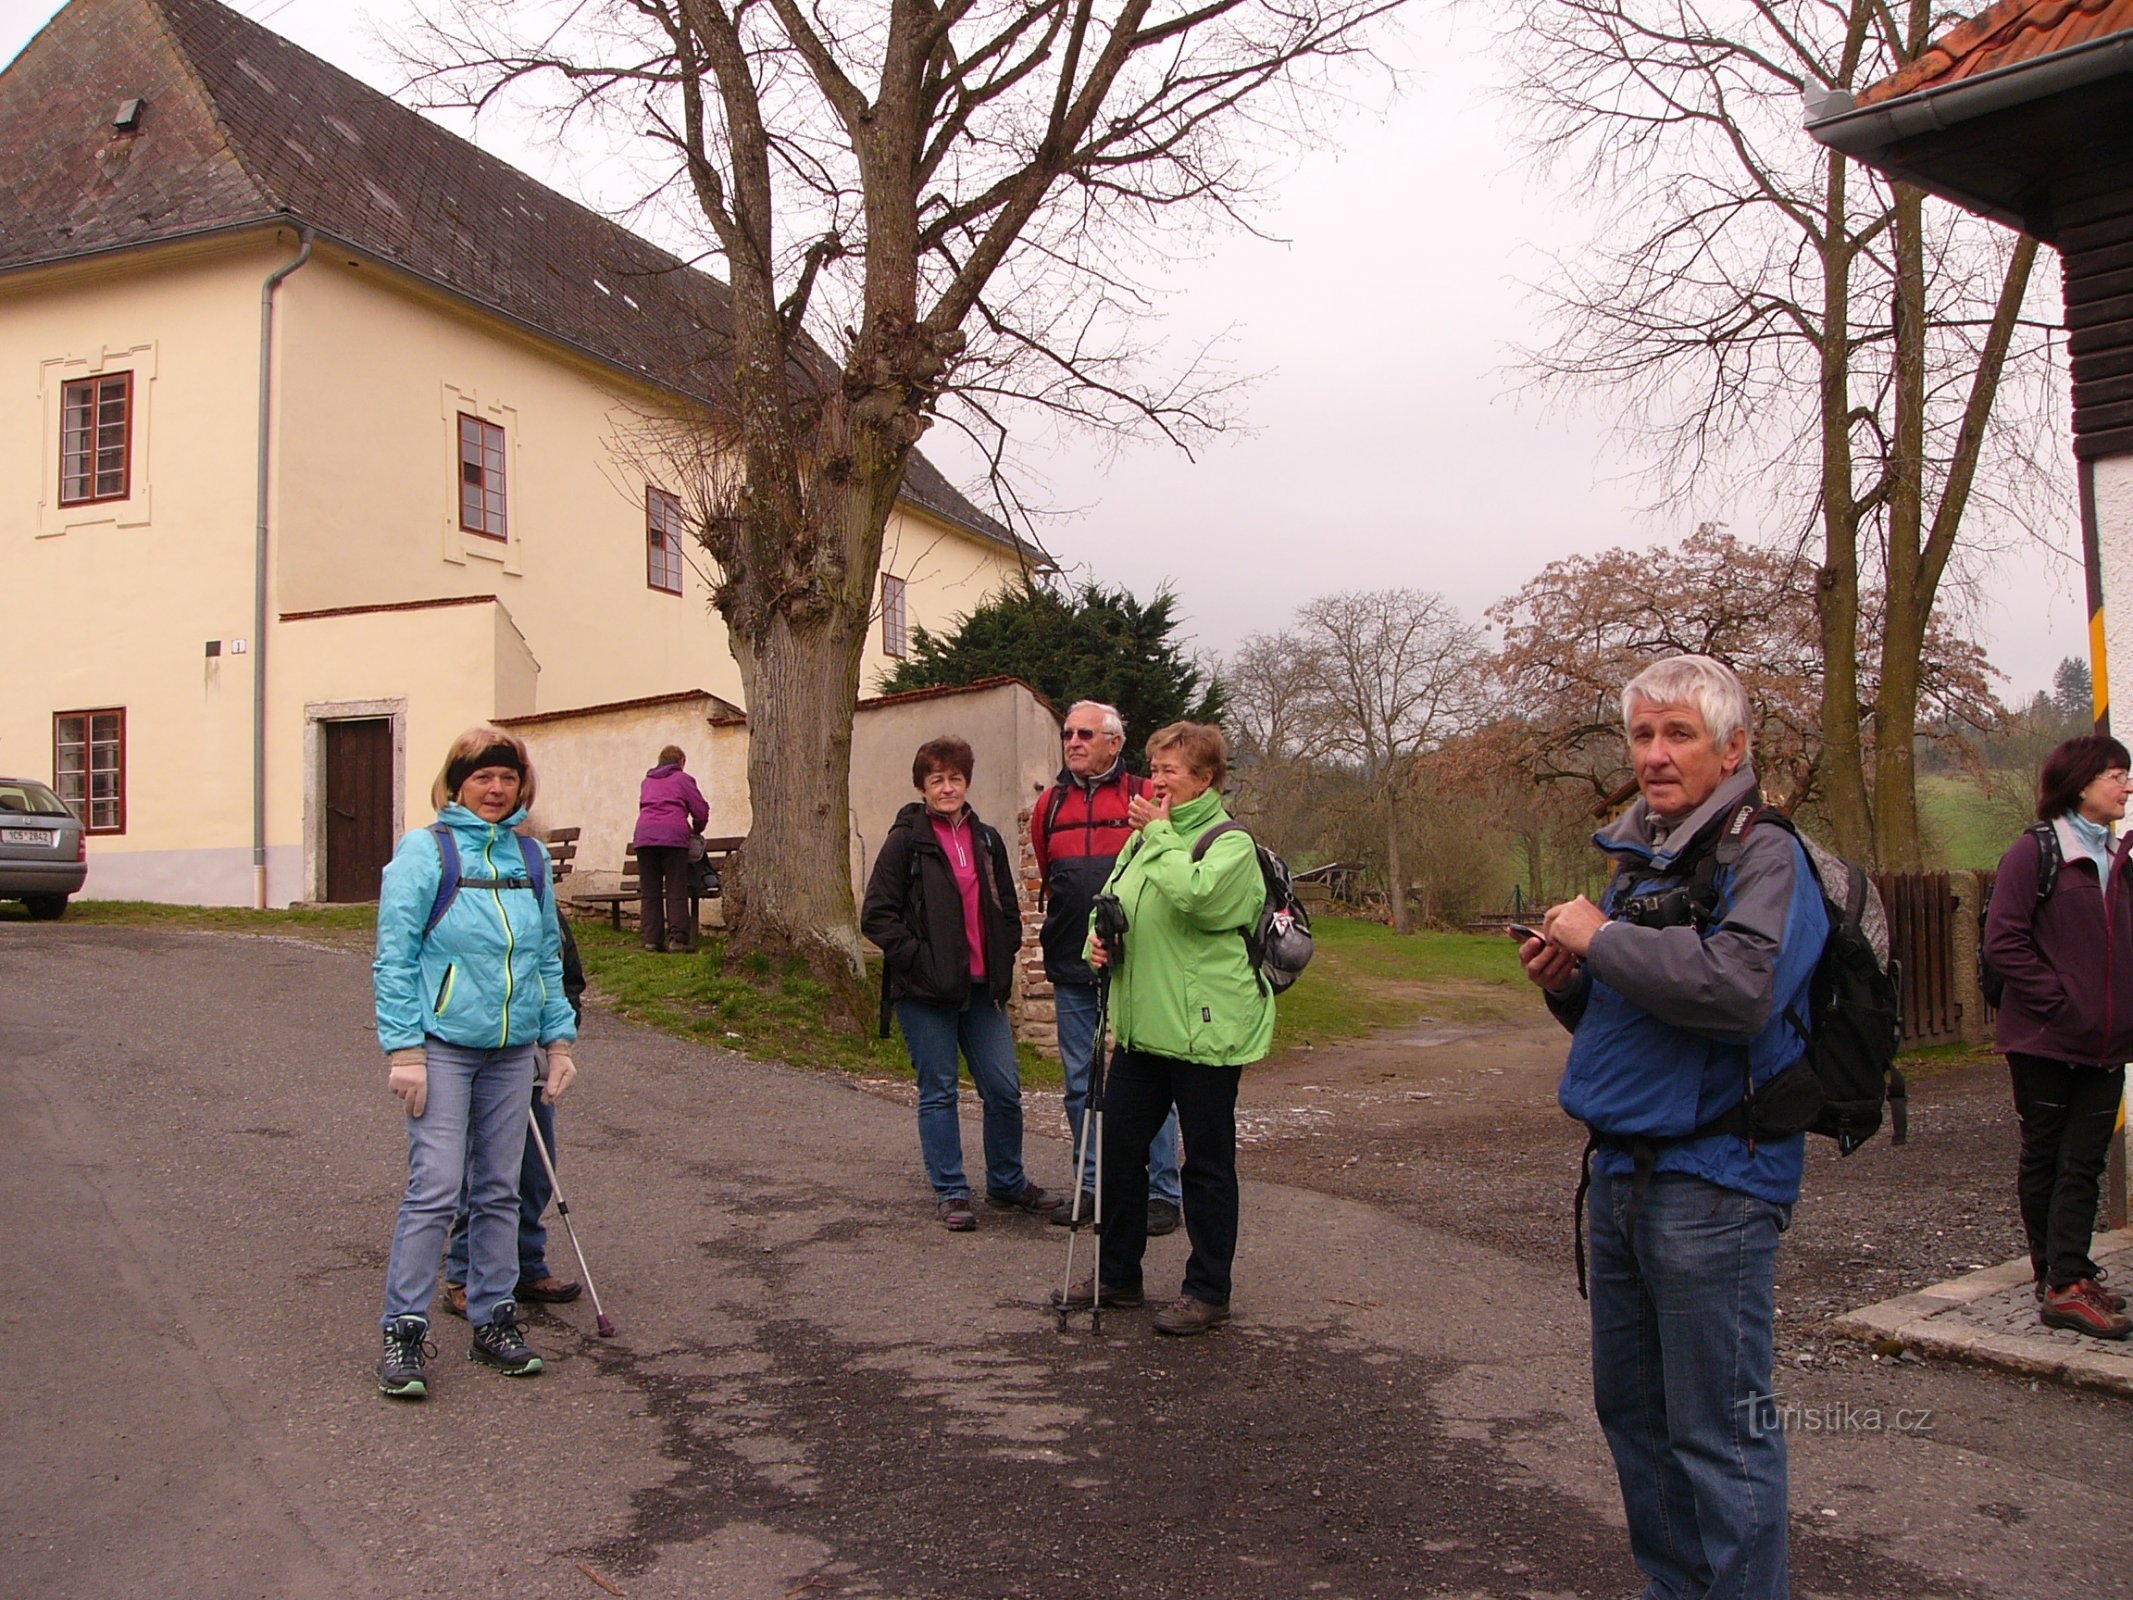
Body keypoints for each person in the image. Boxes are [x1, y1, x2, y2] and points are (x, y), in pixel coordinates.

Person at [1516, 655, 1826, 1600]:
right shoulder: (1640, 857)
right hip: (1621, 1169)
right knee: (1637, 1416)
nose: (1654, 754)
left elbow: (1740, 994)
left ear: (1733, 748)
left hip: (1716, 1178)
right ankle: (1677, 1588)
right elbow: (1631, 1017)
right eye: (1643, 735)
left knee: (1717, 1431)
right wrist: (1572, 983)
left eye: (1678, 733)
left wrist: (1600, 941)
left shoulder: (1766, 855)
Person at [372, 726, 578, 1399]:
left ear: (522, 786)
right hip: (441, 1049)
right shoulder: (424, 852)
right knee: (435, 1187)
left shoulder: (531, 857)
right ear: (456, 783)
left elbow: (545, 957)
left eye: (507, 778)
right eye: (482, 777)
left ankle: (494, 1318)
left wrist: (559, 1042)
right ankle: (402, 1328)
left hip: (512, 1051)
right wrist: (404, 1050)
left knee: (499, 1187)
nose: (495, 790)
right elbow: (394, 957)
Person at [1058, 721, 1274, 1336]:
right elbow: (1113, 902)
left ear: (1205, 778)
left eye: (1169, 771)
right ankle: (1119, 1277)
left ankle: (1208, 1291)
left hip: (1206, 1034)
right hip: (1143, 1030)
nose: (1155, 780)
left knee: (1205, 1163)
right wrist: (1096, 945)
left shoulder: (1229, 843)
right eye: (1153, 768)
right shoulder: (1144, 840)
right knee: (1121, 1152)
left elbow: (1196, 898)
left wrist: (1157, 836)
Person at [862, 736, 1064, 1230]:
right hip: (925, 992)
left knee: (1003, 1088)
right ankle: (951, 1191)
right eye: (937, 780)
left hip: (981, 989)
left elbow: (1008, 909)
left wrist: (1004, 949)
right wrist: (919, 960)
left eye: (955, 778)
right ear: (922, 787)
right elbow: (877, 915)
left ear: (966, 782)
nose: (947, 788)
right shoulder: (906, 840)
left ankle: (1006, 1181)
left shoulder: (988, 839)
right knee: (939, 1091)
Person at [1983, 734, 2133, 1340]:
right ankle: (2062, 1281)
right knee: (2050, 1158)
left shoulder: (2120, 858)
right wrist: (2063, 1005)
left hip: (2108, 1043)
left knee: (2086, 1161)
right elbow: (2004, 943)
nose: (2126, 785)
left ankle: (2065, 1279)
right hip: (2045, 1040)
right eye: (2117, 775)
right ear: (2080, 782)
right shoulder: (2035, 852)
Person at [1033, 701, 1183, 1235]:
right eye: (1068, 733)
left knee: (1151, 1081)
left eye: (1085, 734)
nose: (1073, 741)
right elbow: (1050, 874)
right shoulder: (1048, 805)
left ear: (1115, 743)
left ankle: (1162, 1190)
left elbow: (1173, 869)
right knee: (1080, 1083)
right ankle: (1091, 1187)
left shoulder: (1148, 795)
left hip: (1139, 967)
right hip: (1074, 962)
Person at [441, 908, 587, 1317]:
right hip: (484, 1053)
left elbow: (568, 978)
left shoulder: (545, 907)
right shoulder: (473, 903)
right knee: (485, 1171)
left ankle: (524, 1263)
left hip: (535, 1056)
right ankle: (464, 1270)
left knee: (537, 1172)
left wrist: (561, 1031)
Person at [633, 745, 709, 952]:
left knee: (650, 890)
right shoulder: (683, 779)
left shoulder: (647, 781)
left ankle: (651, 939)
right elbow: (701, 810)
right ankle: (677, 939)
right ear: (681, 761)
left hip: (644, 837)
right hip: (673, 838)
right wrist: (696, 830)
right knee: (676, 888)